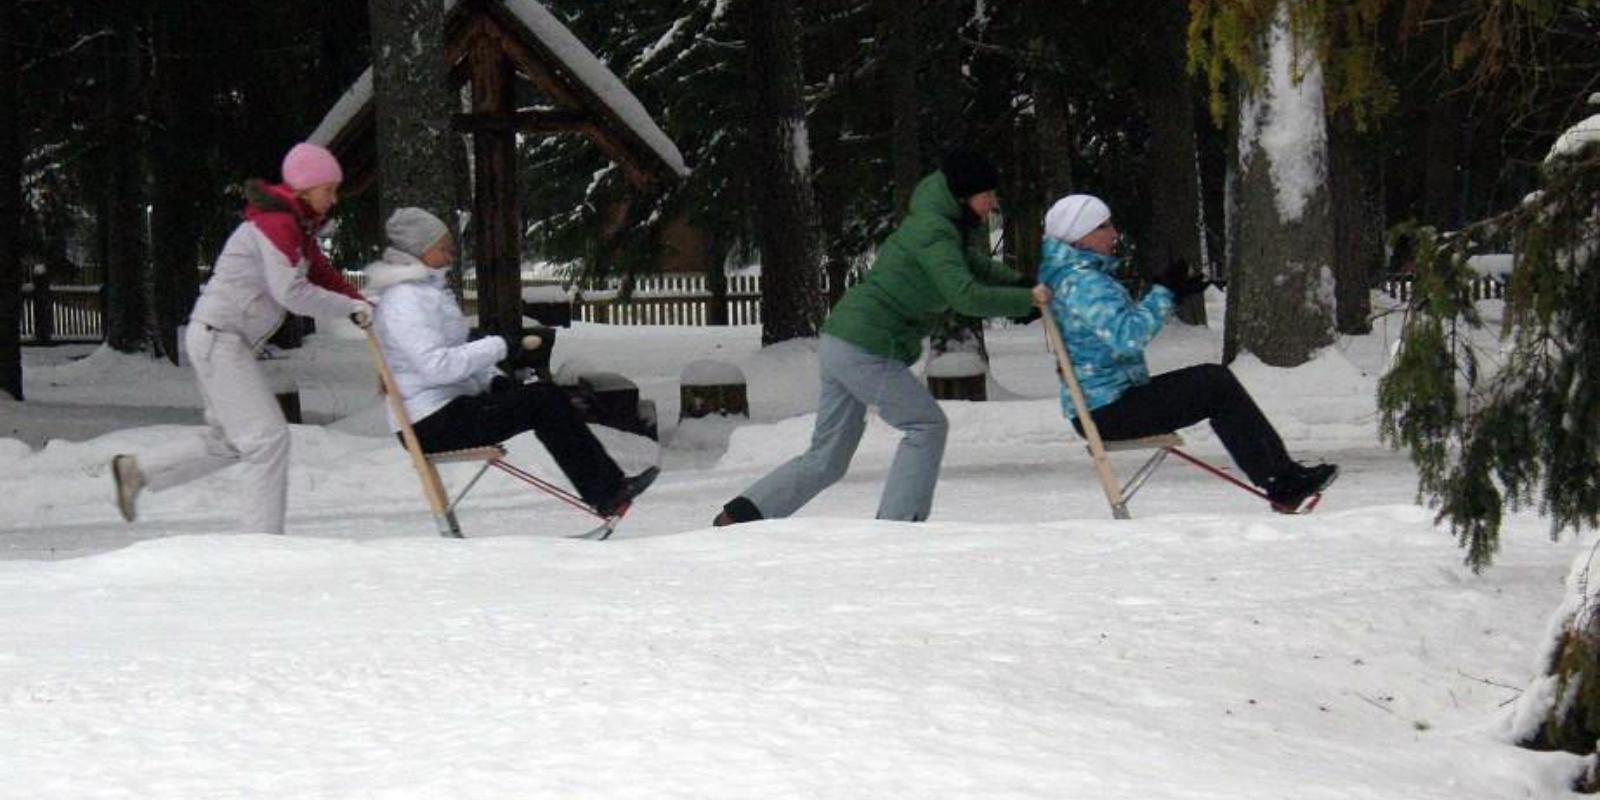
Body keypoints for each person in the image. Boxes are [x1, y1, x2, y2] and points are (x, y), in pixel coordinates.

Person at [715, 149, 1050, 526]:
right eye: (986, 195)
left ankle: (741, 515)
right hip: (864, 347)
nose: (992, 204)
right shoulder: (935, 230)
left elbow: (977, 267)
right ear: (962, 195)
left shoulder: (939, 226)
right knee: (926, 426)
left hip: (843, 340)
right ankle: (899, 525)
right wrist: (1026, 300)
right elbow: (965, 294)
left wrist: (1024, 287)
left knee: (826, 459)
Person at [110, 143, 375, 533]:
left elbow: (321, 275)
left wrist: (363, 303)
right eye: (328, 190)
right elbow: (292, 293)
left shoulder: (297, 228)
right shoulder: (276, 225)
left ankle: (137, 471)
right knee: (268, 439)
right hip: (220, 338)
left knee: (232, 440)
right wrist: (348, 310)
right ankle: (262, 543)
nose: (333, 199)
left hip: (223, 339)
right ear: (303, 187)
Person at [1039, 193, 1338, 511]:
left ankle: (1281, 477)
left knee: (1213, 382)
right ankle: (1281, 481)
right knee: (1215, 384)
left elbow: (1115, 330)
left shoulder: (1071, 276)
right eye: (1104, 227)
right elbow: (1128, 336)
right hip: (1108, 411)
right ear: (1079, 237)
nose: (1114, 234)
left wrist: (1166, 295)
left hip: (1105, 404)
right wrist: (1164, 295)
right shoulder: (1083, 283)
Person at [365, 207, 656, 517]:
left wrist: (493, 379)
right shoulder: (405, 301)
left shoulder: (424, 294)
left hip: (447, 407)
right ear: (421, 251)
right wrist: (500, 345)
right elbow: (438, 366)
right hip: (430, 422)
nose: (451, 255)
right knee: (543, 402)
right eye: (443, 248)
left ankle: (608, 490)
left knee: (545, 396)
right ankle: (608, 492)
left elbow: (457, 352)